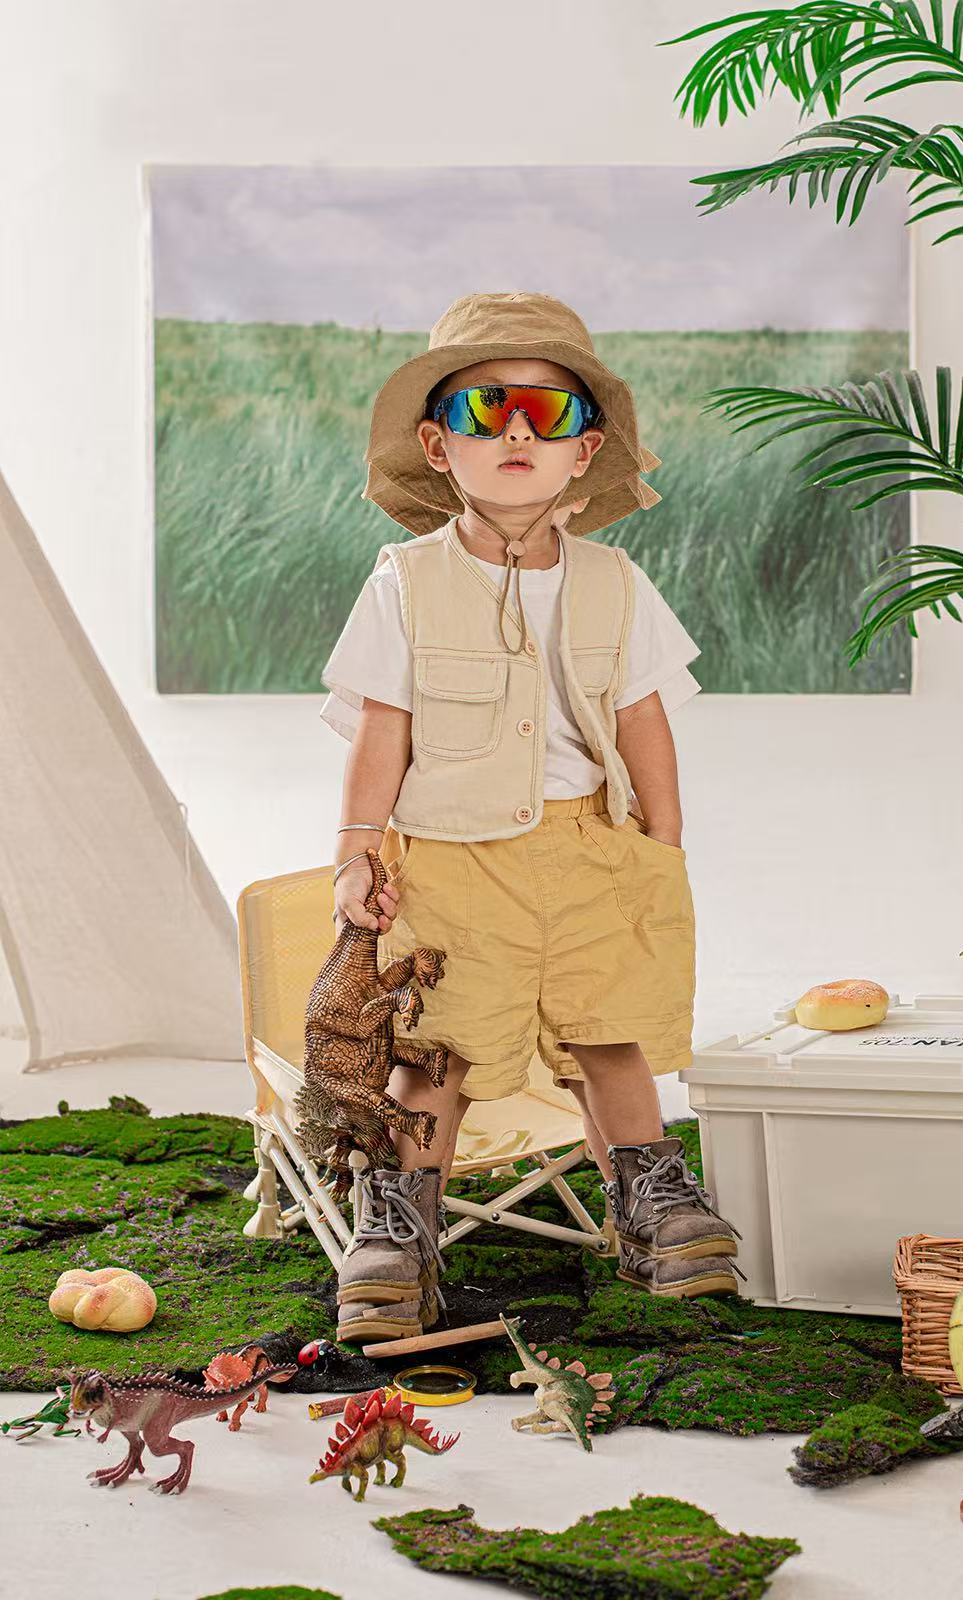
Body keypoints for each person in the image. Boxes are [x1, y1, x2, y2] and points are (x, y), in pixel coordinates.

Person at [318, 291, 741, 1344]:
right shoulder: (405, 581)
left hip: (593, 848)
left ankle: (653, 1203)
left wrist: (663, 846)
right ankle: (401, 1229)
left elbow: (642, 720)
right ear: (438, 445)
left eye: (546, 415)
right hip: (453, 860)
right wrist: (357, 848)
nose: (516, 432)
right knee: (442, 1051)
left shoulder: (615, 581)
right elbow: (382, 726)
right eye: (485, 410)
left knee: (611, 1032)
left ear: (583, 451)